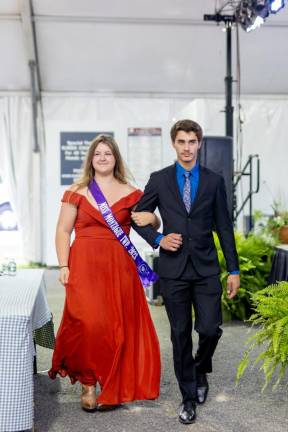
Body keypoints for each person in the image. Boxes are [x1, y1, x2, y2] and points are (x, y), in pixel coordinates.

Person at [131, 119, 240, 425]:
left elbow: (224, 227)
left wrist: (233, 269)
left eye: (192, 142)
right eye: (182, 142)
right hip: (173, 269)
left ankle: (200, 367)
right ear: (173, 144)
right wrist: (159, 239)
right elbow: (137, 217)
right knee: (180, 334)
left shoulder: (213, 180)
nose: (187, 148)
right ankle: (188, 397)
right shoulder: (160, 179)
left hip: (205, 268)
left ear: (199, 144)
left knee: (209, 329)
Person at [48, 134, 161, 412]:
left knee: (115, 327)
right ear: (91, 159)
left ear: (115, 159)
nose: (102, 158)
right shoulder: (77, 191)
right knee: (87, 323)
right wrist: (64, 265)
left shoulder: (132, 193)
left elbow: (147, 222)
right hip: (84, 264)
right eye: (97, 153)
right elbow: (63, 230)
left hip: (118, 267)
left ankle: (111, 383)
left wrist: (155, 218)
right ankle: (88, 382)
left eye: (107, 154)